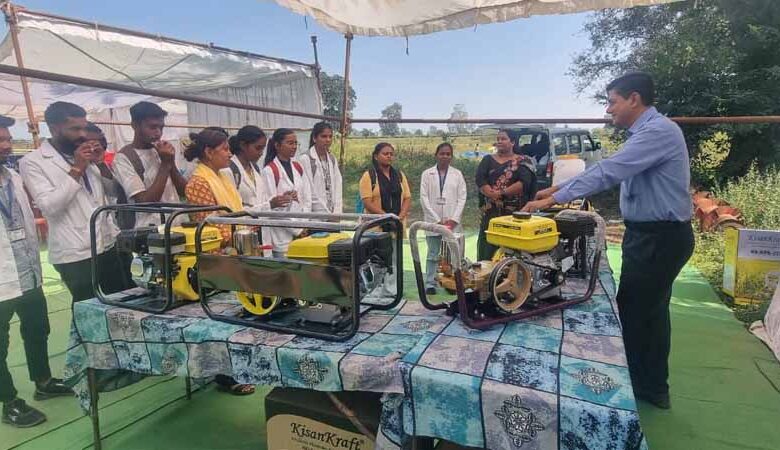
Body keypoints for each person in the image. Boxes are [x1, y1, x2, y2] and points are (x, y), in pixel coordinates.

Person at [522, 72, 694, 409]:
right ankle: (651, 385)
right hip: (649, 236)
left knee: (636, 312)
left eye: (612, 101)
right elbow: (605, 168)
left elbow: (608, 172)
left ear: (634, 99)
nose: (607, 109)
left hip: (659, 239)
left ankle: (641, 387)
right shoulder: (646, 134)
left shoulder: (658, 131)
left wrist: (551, 201)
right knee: (650, 312)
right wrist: (556, 188)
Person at [20, 102, 132, 302]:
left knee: (118, 304)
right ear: (54, 128)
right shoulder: (33, 162)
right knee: (87, 308)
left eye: (84, 128)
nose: (83, 135)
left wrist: (100, 163)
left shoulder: (84, 153)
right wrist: (78, 168)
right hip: (74, 253)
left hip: (106, 244)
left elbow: (113, 193)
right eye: (75, 129)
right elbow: (50, 207)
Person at [0, 115, 72, 428]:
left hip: (27, 271)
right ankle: (9, 402)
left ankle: (43, 382)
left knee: (37, 328)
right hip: (2, 278)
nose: (6, 145)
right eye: (0, 140)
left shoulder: (13, 178)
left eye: (6, 138)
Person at [182, 128, 255, 396]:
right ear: (208, 152)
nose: (229, 154)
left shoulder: (223, 176)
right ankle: (224, 374)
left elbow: (235, 213)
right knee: (221, 319)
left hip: (236, 251)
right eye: (224, 149)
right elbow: (209, 225)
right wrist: (242, 233)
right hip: (217, 257)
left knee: (240, 313)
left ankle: (237, 365)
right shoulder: (198, 182)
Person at [113, 101, 187, 229]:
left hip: (175, 224)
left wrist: (170, 162)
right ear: (135, 126)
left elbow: (184, 191)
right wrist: (165, 164)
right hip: (149, 231)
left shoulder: (160, 151)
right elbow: (146, 202)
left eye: (161, 128)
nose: (158, 133)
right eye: (152, 127)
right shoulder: (123, 158)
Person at [475, 129, 536, 260]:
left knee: (512, 251)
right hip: (490, 213)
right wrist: (490, 193)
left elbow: (524, 183)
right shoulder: (487, 160)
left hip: (513, 215)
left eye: (503, 139)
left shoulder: (523, 161)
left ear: (512, 142)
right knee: (488, 248)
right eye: (498, 139)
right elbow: (480, 179)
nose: (499, 142)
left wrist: (501, 193)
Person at [419, 143, 467, 295]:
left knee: (454, 254)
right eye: (442, 153)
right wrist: (436, 221)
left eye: (448, 154)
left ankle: (452, 283)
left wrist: (453, 219)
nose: (445, 156)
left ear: (451, 156)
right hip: (433, 221)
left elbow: (462, 198)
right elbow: (423, 198)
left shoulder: (457, 174)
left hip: (452, 222)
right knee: (433, 254)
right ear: (436, 155)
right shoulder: (427, 174)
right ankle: (430, 282)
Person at [261, 128, 312, 257]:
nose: (294, 147)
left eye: (296, 143)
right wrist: (297, 230)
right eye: (290, 143)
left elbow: (307, 198)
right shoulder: (270, 171)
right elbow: (273, 208)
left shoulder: (298, 167)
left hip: (302, 231)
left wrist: (304, 225)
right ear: (277, 145)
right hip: (281, 237)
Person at [359, 143, 411, 224]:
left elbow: (407, 198)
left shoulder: (399, 175)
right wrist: (387, 217)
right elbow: (367, 203)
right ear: (376, 157)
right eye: (385, 154)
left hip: (398, 225)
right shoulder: (369, 176)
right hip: (375, 226)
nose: (389, 156)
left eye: (391, 154)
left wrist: (400, 217)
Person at [296, 122, 343, 214]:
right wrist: (325, 214)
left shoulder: (332, 159)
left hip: (333, 213)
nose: (328, 140)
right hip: (314, 214)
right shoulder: (306, 159)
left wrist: (336, 213)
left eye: (330, 136)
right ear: (314, 138)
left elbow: (338, 186)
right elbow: (307, 190)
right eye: (323, 136)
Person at [224, 126, 269, 209]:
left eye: (263, 149)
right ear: (243, 145)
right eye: (258, 148)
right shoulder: (228, 170)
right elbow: (233, 206)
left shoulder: (255, 168)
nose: (261, 153)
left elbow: (260, 198)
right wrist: (269, 205)